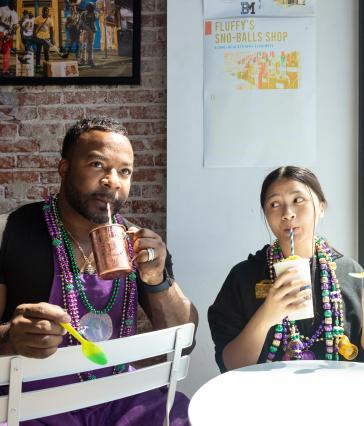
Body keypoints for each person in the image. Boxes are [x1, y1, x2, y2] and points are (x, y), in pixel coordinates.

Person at [0, 118, 198, 425]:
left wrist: (157, 281)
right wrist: (10, 338)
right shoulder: (11, 233)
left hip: (121, 398)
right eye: (97, 164)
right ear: (64, 169)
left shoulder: (137, 244)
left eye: (125, 171)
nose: (112, 181)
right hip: (32, 403)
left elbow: (184, 337)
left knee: (186, 415)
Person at [208, 165, 364, 372]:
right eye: (274, 204)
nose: (287, 213)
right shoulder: (243, 277)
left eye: (298, 200)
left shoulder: (351, 273)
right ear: (266, 215)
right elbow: (230, 365)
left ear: (322, 207)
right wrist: (267, 315)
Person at [33, 6, 54, 73]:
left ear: (48, 12)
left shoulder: (50, 20)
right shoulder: (37, 19)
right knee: (38, 52)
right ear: (42, 12)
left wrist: (52, 39)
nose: (45, 12)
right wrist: (34, 36)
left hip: (46, 38)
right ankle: (38, 65)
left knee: (46, 52)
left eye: (47, 11)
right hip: (39, 38)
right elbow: (34, 28)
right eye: (44, 11)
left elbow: (51, 30)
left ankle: (46, 65)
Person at [0, 0, 18, 76]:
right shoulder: (2, 9)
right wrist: (6, 25)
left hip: (8, 35)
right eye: (12, 2)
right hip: (0, 32)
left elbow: (15, 26)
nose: (14, 4)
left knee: (7, 53)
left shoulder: (15, 13)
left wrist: (11, 33)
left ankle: (5, 70)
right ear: (9, 2)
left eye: (15, 3)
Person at [78, 3, 97, 67]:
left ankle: (90, 60)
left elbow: (95, 19)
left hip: (91, 31)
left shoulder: (94, 14)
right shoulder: (84, 13)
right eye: (90, 8)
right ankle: (82, 60)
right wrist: (79, 28)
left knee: (90, 46)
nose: (90, 9)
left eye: (91, 8)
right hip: (85, 31)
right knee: (83, 46)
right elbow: (80, 22)